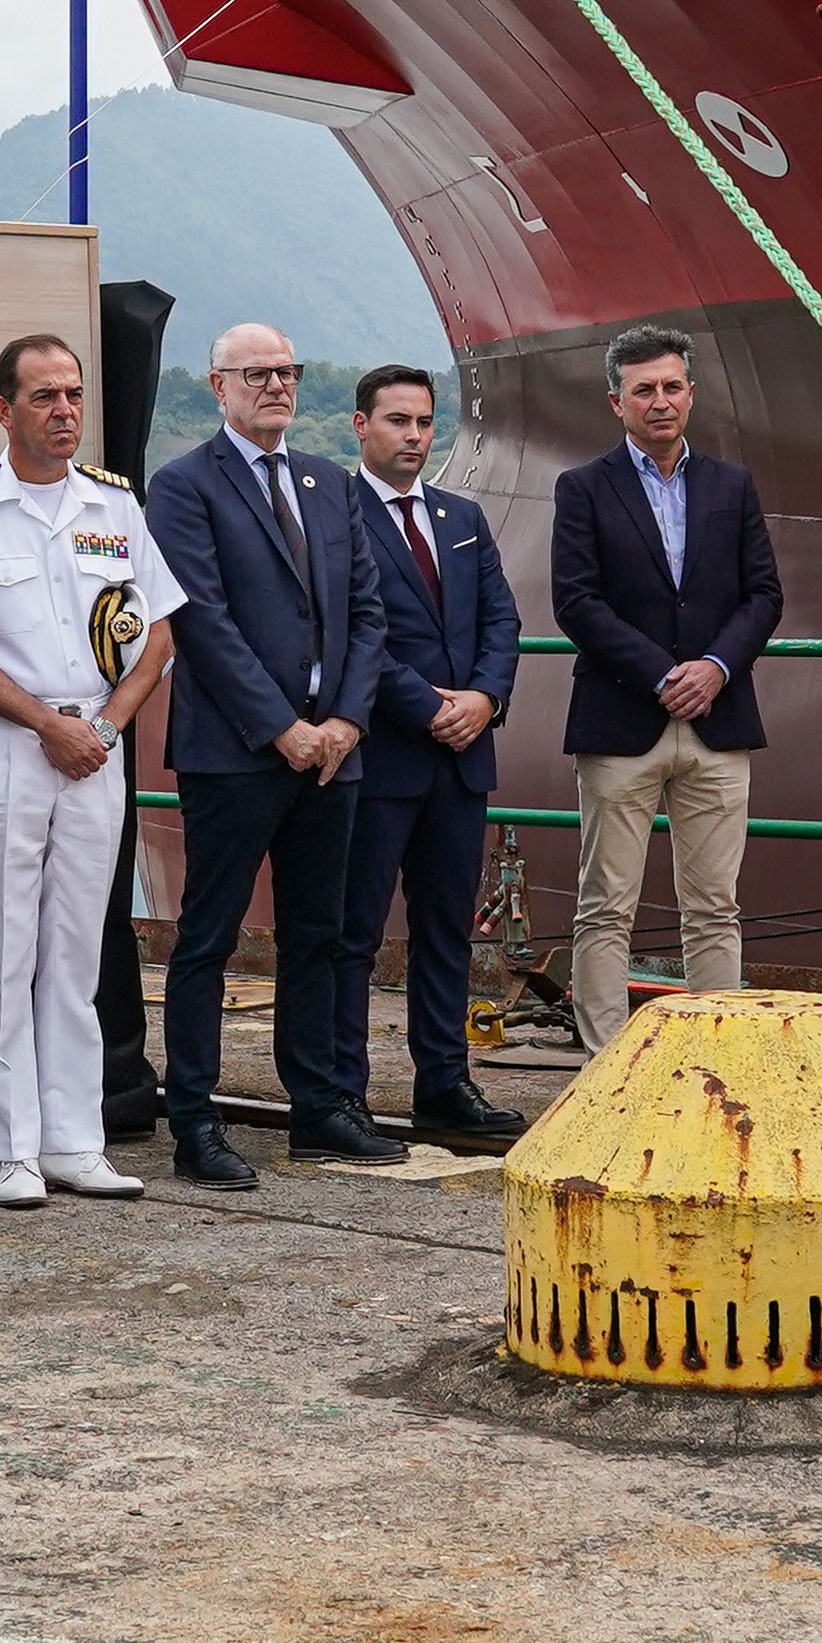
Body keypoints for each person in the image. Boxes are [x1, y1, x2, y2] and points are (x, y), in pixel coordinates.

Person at [0, 332, 178, 1209]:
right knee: (3, 952)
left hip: (96, 747)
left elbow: (159, 634)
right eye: (44, 396)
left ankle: (77, 1140)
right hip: (7, 743)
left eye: (74, 394)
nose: (65, 411)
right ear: (5, 411)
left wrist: (106, 729)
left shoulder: (114, 506)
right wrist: (47, 724)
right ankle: (13, 1149)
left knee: (79, 950)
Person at [142, 319, 383, 1179]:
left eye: (287, 370)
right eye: (257, 374)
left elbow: (365, 609)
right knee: (208, 938)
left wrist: (347, 721)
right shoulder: (182, 486)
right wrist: (282, 727)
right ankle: (196, 1123)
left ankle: (317, 1108)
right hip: (239, 752)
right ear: (218, 386)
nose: (277, 385)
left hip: (333, 751)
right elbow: (200, 619)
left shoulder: (329, 482)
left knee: (318, 933)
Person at [545, 327, 781, 1048]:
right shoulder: (582, 487)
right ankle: (606, 1067)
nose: (660, 402)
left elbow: (764, 594)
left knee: (715, 905)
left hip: (719, 718)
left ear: (691, 394)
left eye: (672, 386)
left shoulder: (731, 485)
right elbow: (576, 601)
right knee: (606, 904)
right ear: (616, 402)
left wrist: (713, 668)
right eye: (643, 390)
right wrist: (660, 673)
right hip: (623, 718)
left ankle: (720, 1057)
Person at [326, 364, 521, 1146]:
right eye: (397, 421)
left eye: (424, 423)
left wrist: (484, 699)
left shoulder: (462, 515)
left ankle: (445, 1085)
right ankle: (344, 1094)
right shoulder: (336, 518)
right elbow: (350, 631)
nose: (412, 436)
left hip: (460, 761)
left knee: (448, 931)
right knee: (356, 933)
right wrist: (430, 707)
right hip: (383, 760)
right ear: (361, 426)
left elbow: (501, 621)